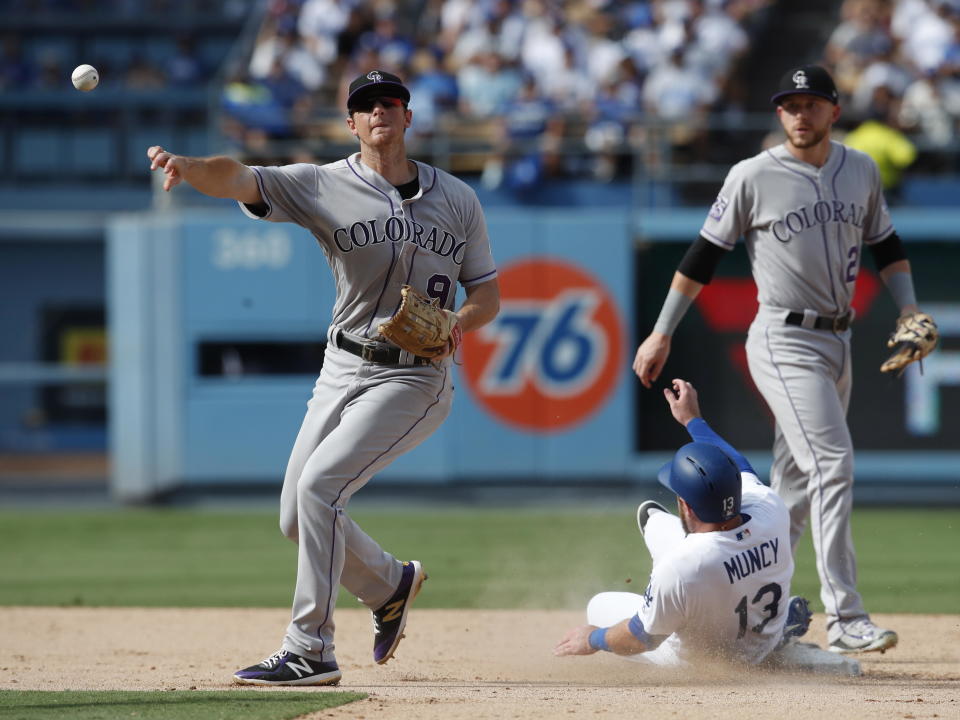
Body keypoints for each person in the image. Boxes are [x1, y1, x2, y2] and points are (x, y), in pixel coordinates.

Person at [148, 69, 500, 685]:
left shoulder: (458, 199)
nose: (379, 111)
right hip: (343, 364)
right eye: (366, 105)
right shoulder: (322, 184)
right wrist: (190, 165)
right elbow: (241, 177)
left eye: (391, 101)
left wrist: (457, 322)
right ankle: (391, 583)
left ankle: (310, 648)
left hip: (416, 378)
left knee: (319, 492)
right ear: (352, 123)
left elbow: (488, 294)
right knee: (296, 514)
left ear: (408, 117)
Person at [633, 65, 923, 654]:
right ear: (779, 113)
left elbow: (886, 245)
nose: (799, 113)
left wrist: (909, 310)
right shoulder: (753, 175)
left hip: (837, 339)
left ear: (833, 111)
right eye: (789, 104)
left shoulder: (860, 169)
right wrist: (661, 332)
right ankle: (846, 616)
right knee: (833, 464)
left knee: (792, 484)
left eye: (811, 103)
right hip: (782, 337)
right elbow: (701, 258)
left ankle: (774, 612)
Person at [554, 378, 853, 670]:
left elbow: (641, 637)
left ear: (685, 505)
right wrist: (693, 420)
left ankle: (688, 611)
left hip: (706, 662)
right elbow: (739, 464)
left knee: (599, 605)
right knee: (653, 518)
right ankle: (779, 625)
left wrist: (592, 638)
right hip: (762, 630)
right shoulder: (770, 507)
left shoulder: (680, 568)